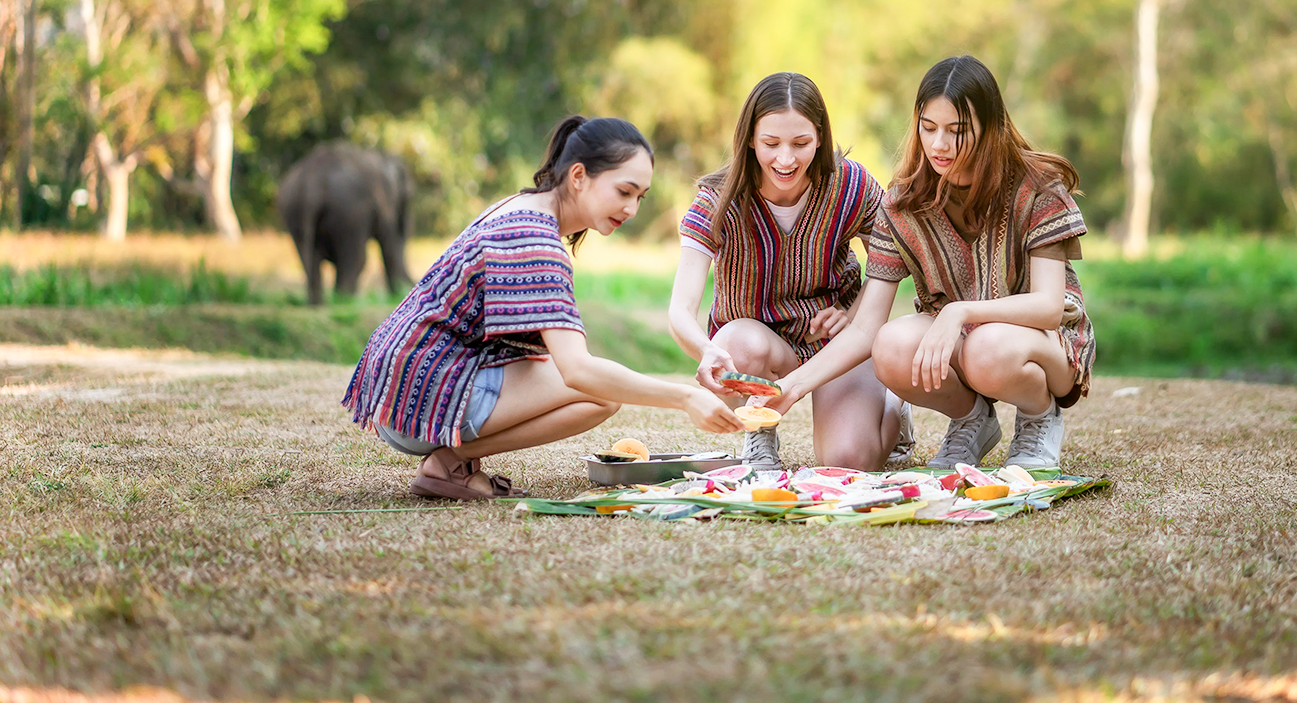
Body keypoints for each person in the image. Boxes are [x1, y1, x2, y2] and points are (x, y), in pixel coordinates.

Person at [343, 116, 742, 500]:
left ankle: (454, 461)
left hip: (402, 383)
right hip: (422, 395)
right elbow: (578, 370)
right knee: (599, 395)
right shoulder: (535, 241)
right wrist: (686, 398)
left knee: (582, 379)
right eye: (624, 192)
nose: (632, 210)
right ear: (579, 176)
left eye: (640, 196)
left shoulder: (522, 207)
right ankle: (449, 462)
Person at [763, 56, 1094, 471]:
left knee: (987, 348)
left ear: (991, 128)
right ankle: (972, 420)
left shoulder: (1036, 187)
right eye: (929, 127)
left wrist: (961, 311)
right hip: (958, 339)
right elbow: (866, 327)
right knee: (889, 345)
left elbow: (1048, 307)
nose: (939, 145)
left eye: (957, 131)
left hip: (1042, 344)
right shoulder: (904, 203)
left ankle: (1039, 416)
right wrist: (792, 386)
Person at [667, 73, 913, 471]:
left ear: (820, 136)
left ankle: (893, 406)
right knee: (738, 347)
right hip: (759, 345)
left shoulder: (851, 186)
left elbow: (887, 273)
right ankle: (758, 433)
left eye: (800, 144)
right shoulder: (717, 200)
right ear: (750, 139)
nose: (786, 159)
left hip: (836, 345)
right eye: (771, 144)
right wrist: (706, 350)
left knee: (848, 461)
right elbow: (680, 309)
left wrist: (851, 315)